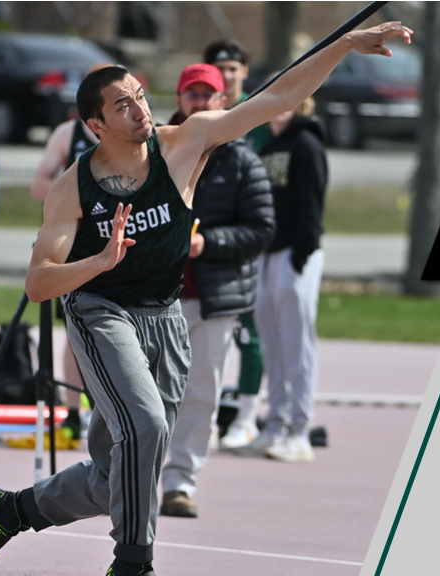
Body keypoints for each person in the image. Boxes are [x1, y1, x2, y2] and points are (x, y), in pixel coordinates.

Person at [0, 21, 412, 576]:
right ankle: (132, 565)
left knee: (119, 475)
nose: (139, 108)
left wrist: (343, 45)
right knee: (147, 428)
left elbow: (277, 97)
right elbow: (39, 283)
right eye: (122, 105)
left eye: (139, 95)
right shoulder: (71, 188)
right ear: (95, 125)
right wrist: (98, 262)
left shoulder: (185, 142)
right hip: (101, 311)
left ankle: (8, 511)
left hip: (165, 315)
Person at [158, 64, 274, 518]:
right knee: (145, 393)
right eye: (192, 94)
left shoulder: (242, 159)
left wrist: (208, 243)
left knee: (201, 395)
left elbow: (261, 229)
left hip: (213, 298)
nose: (200, 102)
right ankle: (128, 478)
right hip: (154, 295)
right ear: (178, 99)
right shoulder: (155, 148)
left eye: (209, 95)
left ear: (224, 102)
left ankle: (179, 482)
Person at [238, 96, 328, 463]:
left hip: (295, 255)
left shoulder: (307, 144)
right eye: (279, 96)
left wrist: (300, 256)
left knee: (296, 344)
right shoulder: (269, 146)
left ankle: (299, 431)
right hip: (267, 255)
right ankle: (274, 425)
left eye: (293, 96)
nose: (284, 105)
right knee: (272, 344)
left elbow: (312, 205)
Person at [202, 39, 271, 450]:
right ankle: (203, 418)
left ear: (244, 72)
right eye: (220, 68)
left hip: (245, 233)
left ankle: (246, 415)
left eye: (233, 68)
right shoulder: (201, 115)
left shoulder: (260, 114)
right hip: (207, 237)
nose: (227, 76)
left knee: (249, 327)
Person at [30, 113, 101, 440]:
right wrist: (82, 197)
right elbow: (38, 185)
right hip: (75, 249)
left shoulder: (133, 128)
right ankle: (73, 412)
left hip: (116, 247)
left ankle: (107, 411)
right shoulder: (68, 133)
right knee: (75, 332)